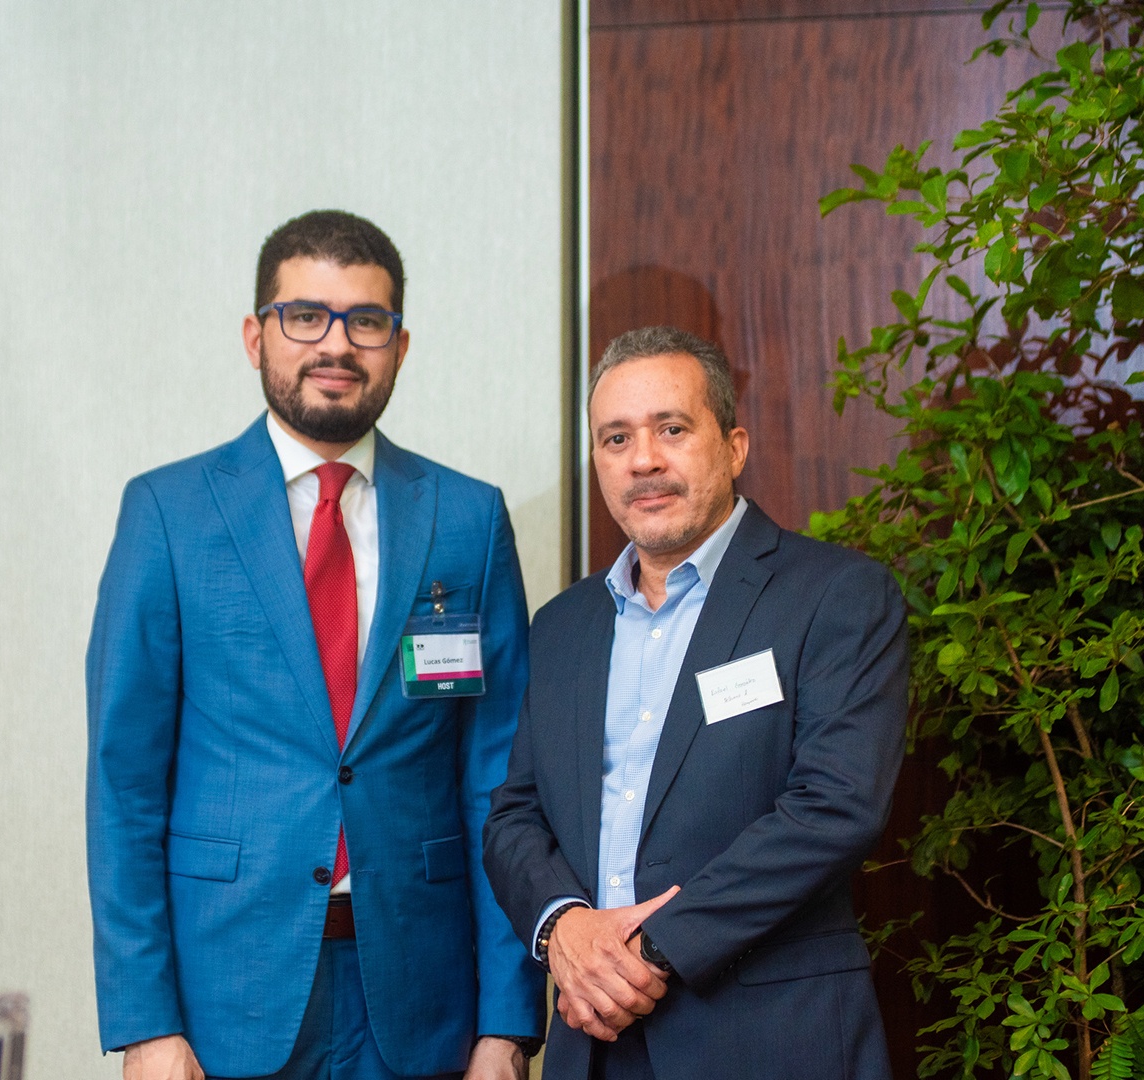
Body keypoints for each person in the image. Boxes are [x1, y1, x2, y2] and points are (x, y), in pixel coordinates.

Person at [87, 210, 545, 1080]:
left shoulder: (466, 519)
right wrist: (145, 1023)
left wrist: (506, 1022)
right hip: (226, 997)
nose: (336, 344)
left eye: (365, 321)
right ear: (255, 336)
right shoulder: (169, 515)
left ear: (398, 346)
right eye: (305, 316)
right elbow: (124, 785)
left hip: (423, 998)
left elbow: (496, 783)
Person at [482, 326, 909, 1080]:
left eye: (671, 429)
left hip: (769, 1038)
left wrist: (648, 951)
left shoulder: (837, 596)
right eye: (616, 438)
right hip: (593, 1044)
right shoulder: (562, 626)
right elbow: (516, 814)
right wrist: (563, 929)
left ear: (734, 447)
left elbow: (834, 807)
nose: (643, 459)